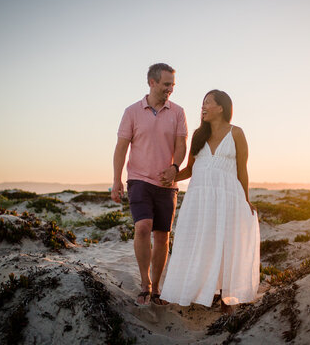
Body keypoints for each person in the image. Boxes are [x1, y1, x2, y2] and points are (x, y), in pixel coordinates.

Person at [160, 89, 260, 313]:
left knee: (226, 244)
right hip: (199, 198)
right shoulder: (198, 135)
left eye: (207, 103)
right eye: (202, 104)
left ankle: (226, 298)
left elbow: (242, 171)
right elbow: (189, 169)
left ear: (222, 107)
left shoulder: (236, 133)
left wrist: (246, 200)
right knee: (195, 242)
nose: (202, 107)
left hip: (228, 197)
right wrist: (171, 176)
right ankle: (189, 290)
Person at [111, 63, 187, 306]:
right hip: (139, 180)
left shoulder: (178, 112)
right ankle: (145, 284)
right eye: (166, 84)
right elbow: (121, 149)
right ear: (152, 82)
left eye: (173, 85)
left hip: (166, 183)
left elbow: (181, 145)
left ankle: (156, 290)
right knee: (143, 227)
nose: (170, 90)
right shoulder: (132, 111)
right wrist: (116, 180)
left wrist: (175, 168)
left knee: (163, 237)